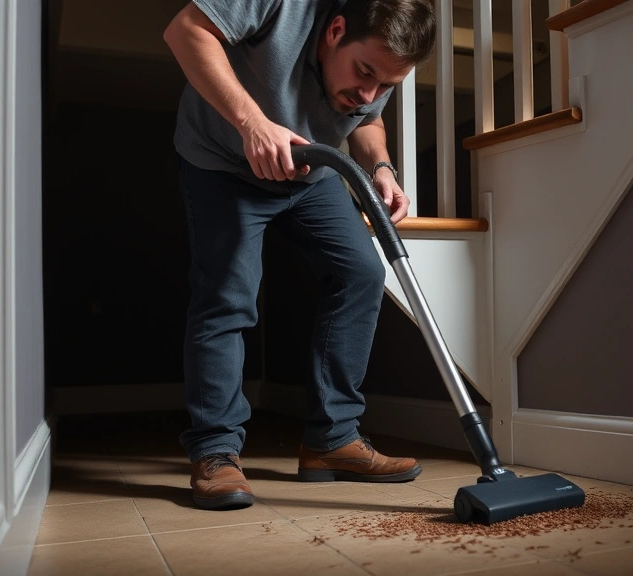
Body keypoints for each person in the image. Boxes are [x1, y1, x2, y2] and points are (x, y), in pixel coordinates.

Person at [163, 0, 436, 510]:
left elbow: (367, 120)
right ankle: (216, 452)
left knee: (360, 273)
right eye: (365, 72)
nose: (370, 93)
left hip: (311, 171)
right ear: (335, 30)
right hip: (224, 162)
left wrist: (382, 170)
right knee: (228, 296)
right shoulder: (282, 5)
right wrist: (252, 123)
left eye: (387, 85)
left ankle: (332, 441)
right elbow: (185, 31)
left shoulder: (371, 74)